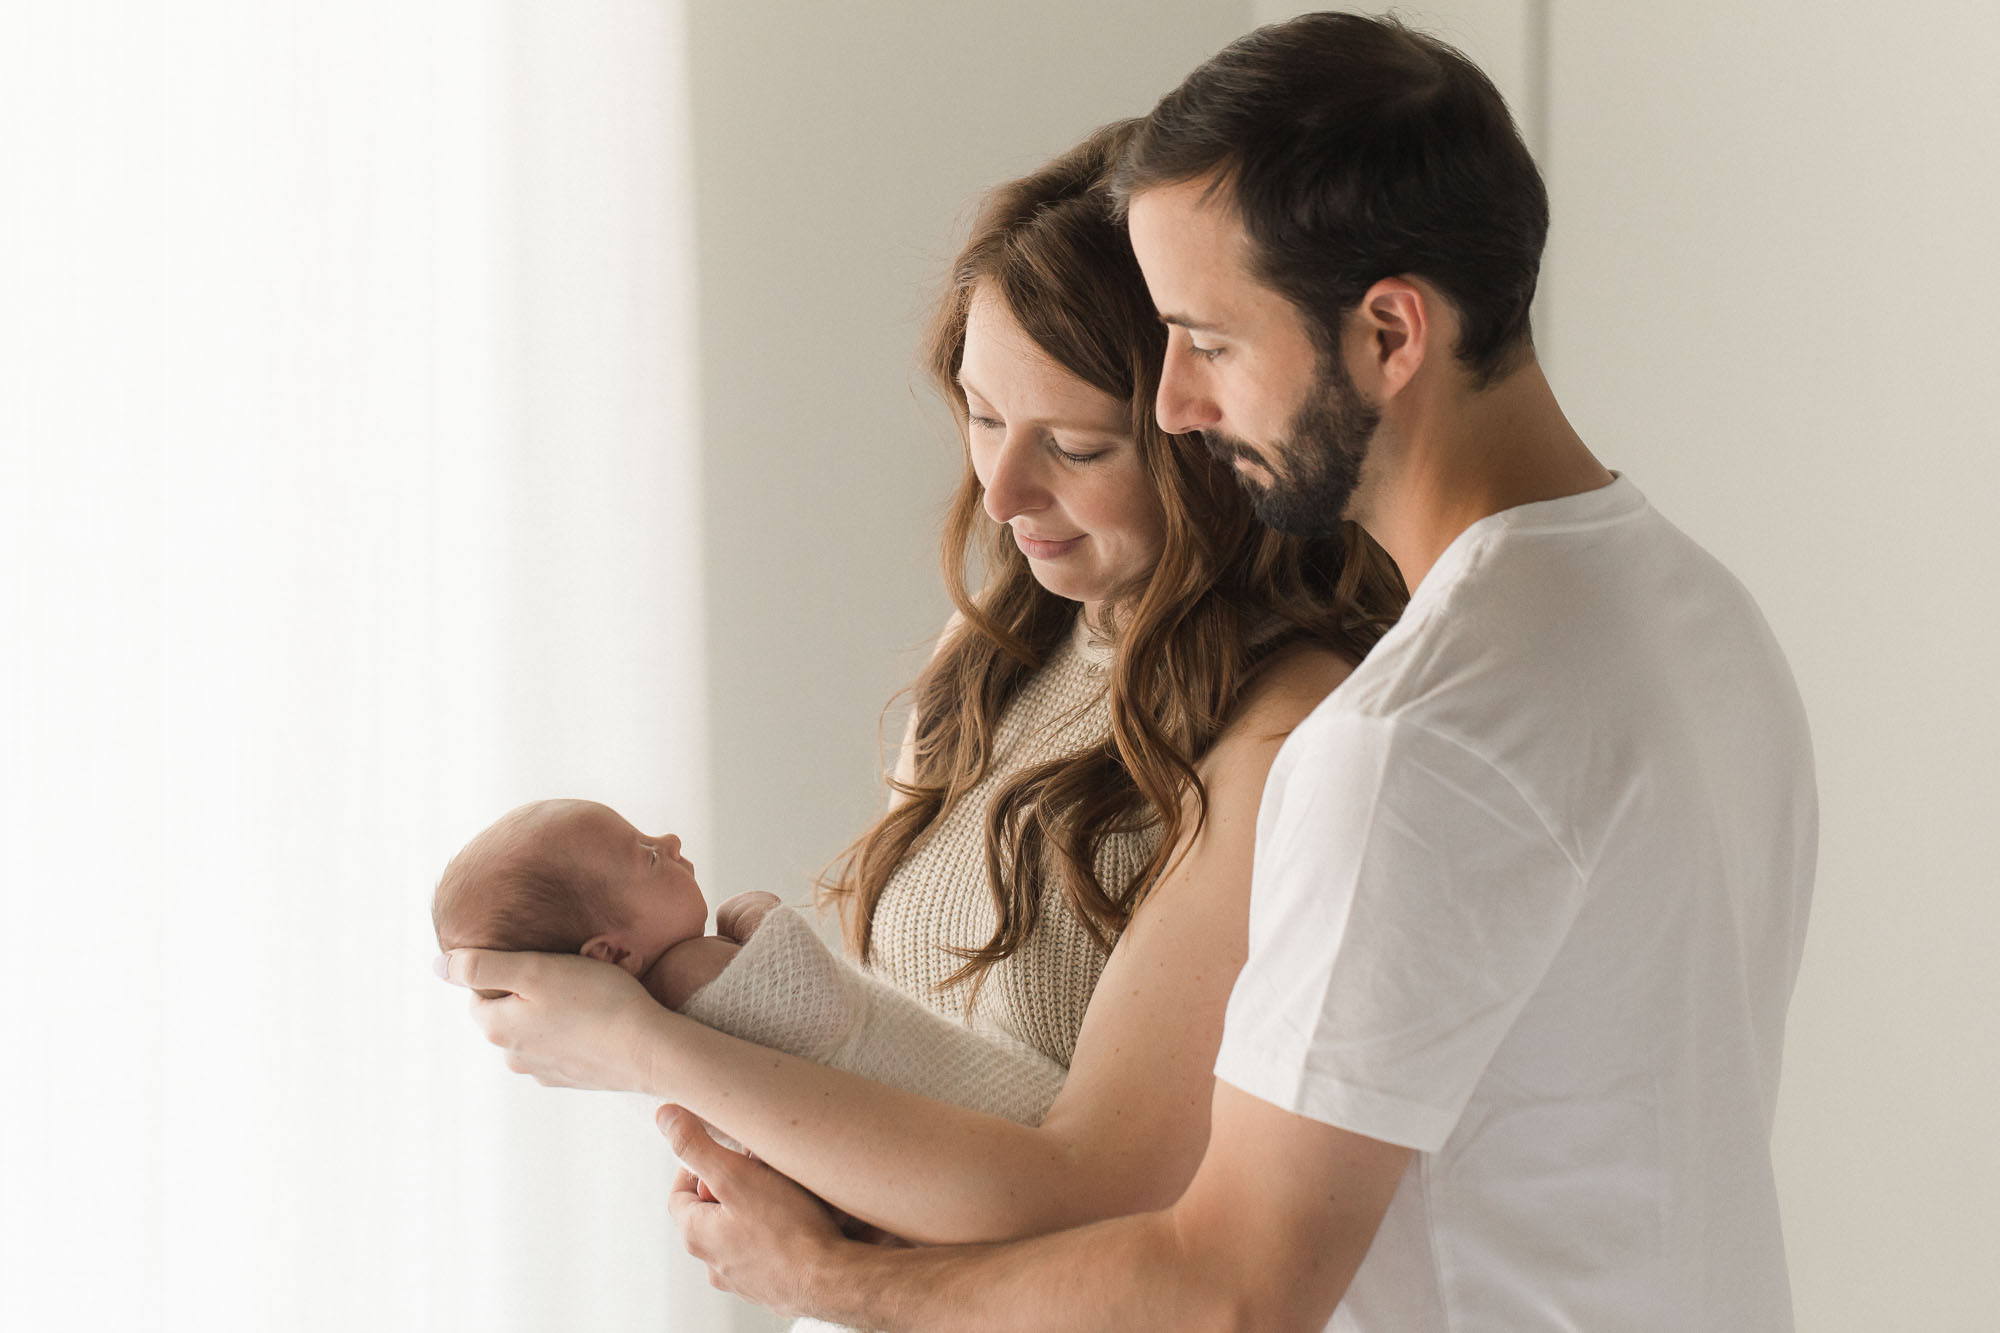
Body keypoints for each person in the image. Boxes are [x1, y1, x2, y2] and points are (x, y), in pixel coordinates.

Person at [653, 13, 1817, 1331]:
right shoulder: (1692, 610)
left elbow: (1229, 1289)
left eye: (1206, 341)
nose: (1179, 410)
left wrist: (828, 1279)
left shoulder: (1410, 738)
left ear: (1388, 333)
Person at [436, 115, 1406, 1264]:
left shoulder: (1282, 729)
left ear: (1209, 435)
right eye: (983, 416)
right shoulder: (997, 648)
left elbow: (1089, 1190)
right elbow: (893, 1051)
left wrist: (642, 1049)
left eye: (1078, 447)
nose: (999, 491)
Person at [432, 798, 1066, 1125]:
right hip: (968, 1105)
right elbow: (820, 1006)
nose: (670, 841)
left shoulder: (641, 1020)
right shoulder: (691, 972)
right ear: (613, 952)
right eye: (648, 855)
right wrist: (758, 915)